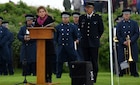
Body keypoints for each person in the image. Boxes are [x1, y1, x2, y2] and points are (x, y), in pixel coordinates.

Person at [78, 2, 104, 83]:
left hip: (94, 43)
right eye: (87, 7)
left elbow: (101, 29)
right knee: (86, 61)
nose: (88, 9)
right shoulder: (82, 17)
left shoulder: (97, 17)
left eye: (90, 8)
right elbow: (80, 29)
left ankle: (94, 77)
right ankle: (86, 77)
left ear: (93, 8)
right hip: (85, 42)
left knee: (94, 61)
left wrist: (96, 38)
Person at [54, 12, 79, 78]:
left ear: (69, 18)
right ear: (62, 18)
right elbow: (55, 38)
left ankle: (72, 74)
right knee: (59, 61)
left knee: (71, 61)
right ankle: (58, 75)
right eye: (64, 18)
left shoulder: (72, 27)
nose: (65, 19)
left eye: (66, 18)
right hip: (61, 47)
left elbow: (75, 36)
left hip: (69, 47)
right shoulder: (58, 27)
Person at [34, 6, 55, 83]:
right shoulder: (36, 21)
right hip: (40, 46)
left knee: (48, 62)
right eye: (40, 12)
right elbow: (35, 32)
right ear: (38, 13)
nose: (42, 13)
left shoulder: (50, 19)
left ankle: (49, 77)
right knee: (41, 62)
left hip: (48, 45)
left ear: (45, 12)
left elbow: (52, 30)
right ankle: (41, 78)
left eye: (43, 11)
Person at [116, 9, 139, 77]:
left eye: (127, 14)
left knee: (133, 57)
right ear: (123, 15)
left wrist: (131, 40)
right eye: (125, 15)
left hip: (132, 43)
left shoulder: (134, 23)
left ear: (129, 15)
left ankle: (133, 72)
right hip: (122, 44)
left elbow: (137, 33)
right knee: (122, 58)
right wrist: (123, 41)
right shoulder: (120, 24)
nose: (126, 16)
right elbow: (118, 34)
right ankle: (123, 71)